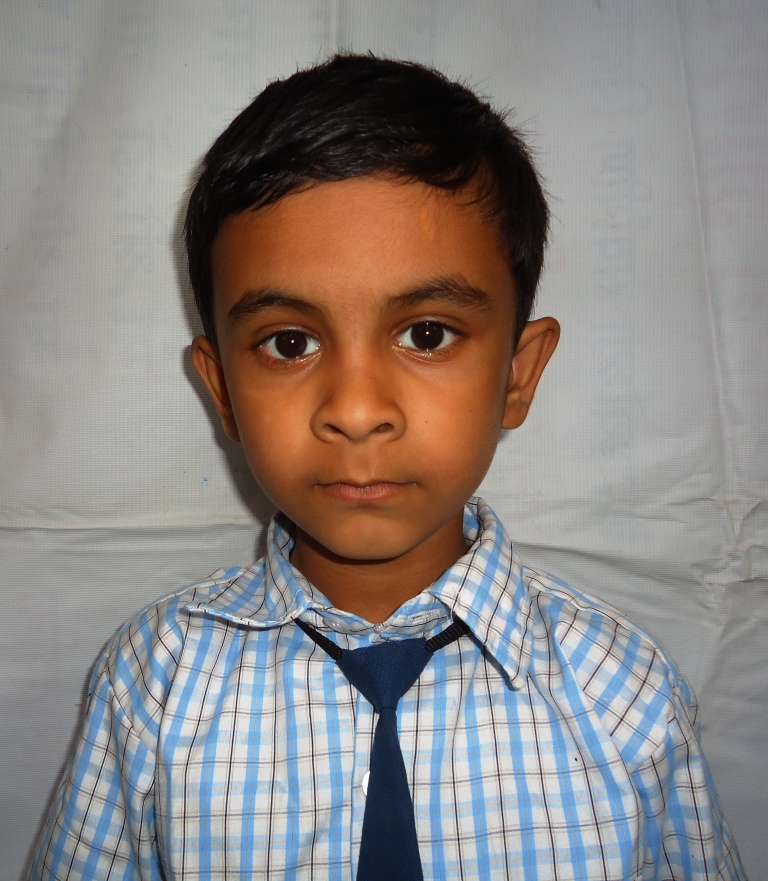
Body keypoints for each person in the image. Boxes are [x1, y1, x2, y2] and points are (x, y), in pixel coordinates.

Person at [29, 54, 745, 881]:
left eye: (426, 334)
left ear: (518, 374)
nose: (358, 408)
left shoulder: (625, 696)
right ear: (221, 390)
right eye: (289, 343)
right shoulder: (152, 685)